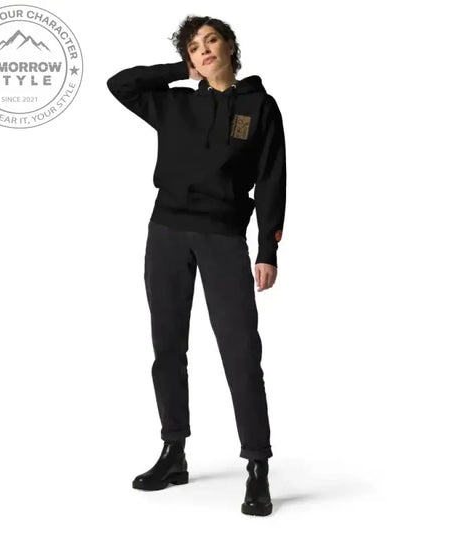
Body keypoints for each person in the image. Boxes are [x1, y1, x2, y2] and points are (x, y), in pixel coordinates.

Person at [106, 15, 286, 516]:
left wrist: (267, 249)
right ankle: (174, 453)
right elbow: (120, 84)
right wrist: (179, 71)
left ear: (229, 46)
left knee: (241, 351)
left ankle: (257, 465)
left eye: (211, 41)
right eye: (193, 47)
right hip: (165, 233)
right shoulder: (176, 103)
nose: (204, 50)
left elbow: (272, 178)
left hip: (223, 238)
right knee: (167, 347)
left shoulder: (259, 107)